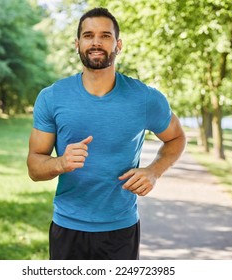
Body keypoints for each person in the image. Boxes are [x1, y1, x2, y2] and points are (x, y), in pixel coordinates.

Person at [27, 7, 186, 260]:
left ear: (118, 44)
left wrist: (153, 171)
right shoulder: (52, 97)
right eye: (88, 35)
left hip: (120, 229)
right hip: (68, 227)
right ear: (77, 44)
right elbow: (35, 167)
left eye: (105, 35)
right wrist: (61, 162)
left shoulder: (145, 98)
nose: (96, 42)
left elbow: (176, 137)